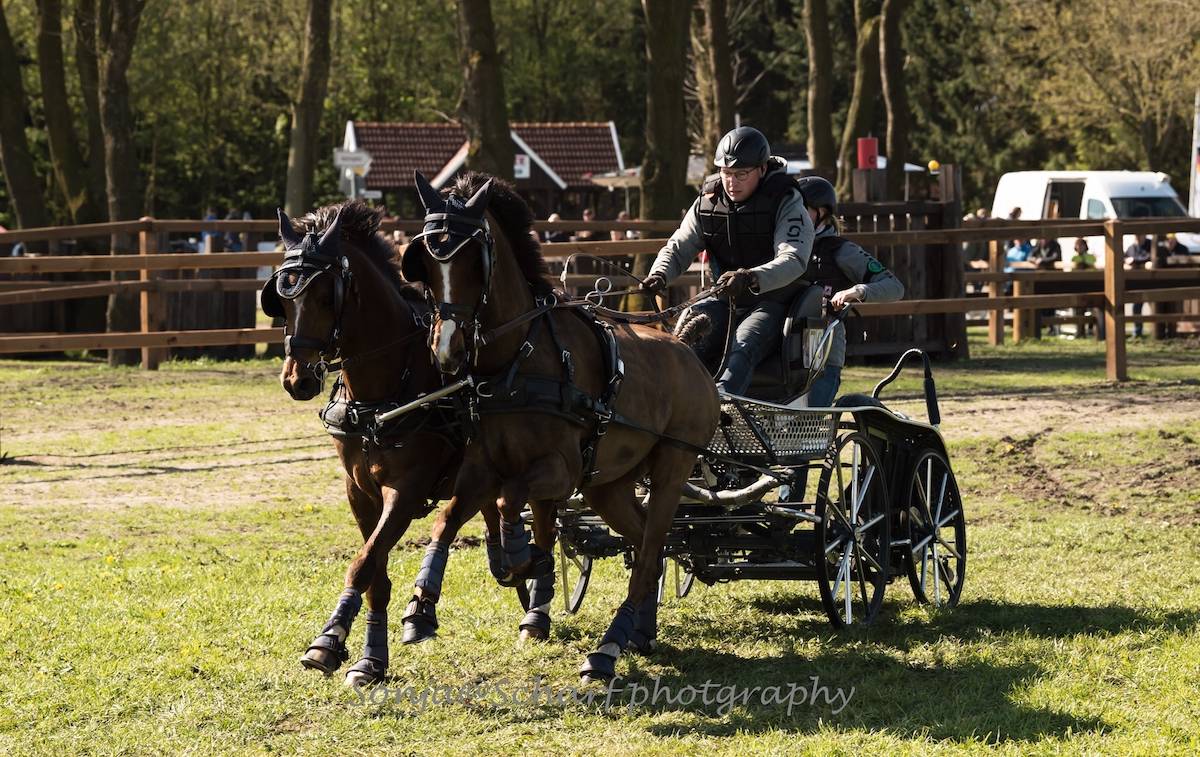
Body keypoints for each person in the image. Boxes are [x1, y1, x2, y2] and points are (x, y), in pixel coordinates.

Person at [640, 126, 815, 395]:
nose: (731, 182)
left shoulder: (786, 200)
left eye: (741, 174)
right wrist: (659, 274)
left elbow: (794, 258)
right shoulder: (707, 201)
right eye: (726, 173)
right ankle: (672, 404)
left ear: (762, 169)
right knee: (683, 343)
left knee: (743, 345)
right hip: (724, 299)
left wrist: (751, 277)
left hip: (773, 302)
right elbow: (679, 246)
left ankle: (722, 407)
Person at [790, 176, 905, 406]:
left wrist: (857, 291)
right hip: (783, 348)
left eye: (801, 209)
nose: (793, 216)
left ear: (822, 212)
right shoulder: (783, 248)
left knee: (811, 418)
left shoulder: (842, 251)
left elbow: (894, 287)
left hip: (823, 351)